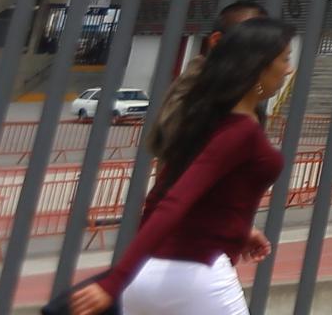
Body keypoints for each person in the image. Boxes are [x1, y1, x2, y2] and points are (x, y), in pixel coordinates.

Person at [68, 17, 295, 314]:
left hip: (148, 275)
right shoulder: (240, 131)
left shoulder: (206, 120)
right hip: (195, 277)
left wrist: (239, 230)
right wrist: (113, 281)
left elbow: (161, 198)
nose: (289, 69)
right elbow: (174, 202)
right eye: (284, 59)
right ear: (259, 65)